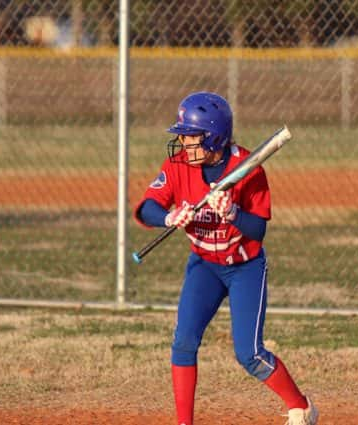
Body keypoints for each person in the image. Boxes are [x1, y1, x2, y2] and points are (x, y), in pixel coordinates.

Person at [134, 91, 319, 425]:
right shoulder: (177, 166)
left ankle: (301, 407)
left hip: (245, 267)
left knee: (249, 354)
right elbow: (147, 207)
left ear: (214, 138)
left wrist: (233, 213)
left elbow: (258, 229)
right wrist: (169, 217)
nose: (183, 144)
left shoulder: (248, 169)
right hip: (204, 265)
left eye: (190, 138)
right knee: (184, 342)